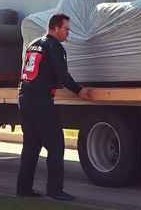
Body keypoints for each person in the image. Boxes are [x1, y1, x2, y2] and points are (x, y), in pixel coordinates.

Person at [16, 13, 90, 201]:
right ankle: (55, 190)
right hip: (41, 101)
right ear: (55, 28)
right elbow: (62, 75)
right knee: (56, 145)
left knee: (31, 146)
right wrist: (79, 91)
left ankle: (23, 189)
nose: (68, 34)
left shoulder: (34, 44)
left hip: (25, 98)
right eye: (66, 29)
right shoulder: (54, 46)